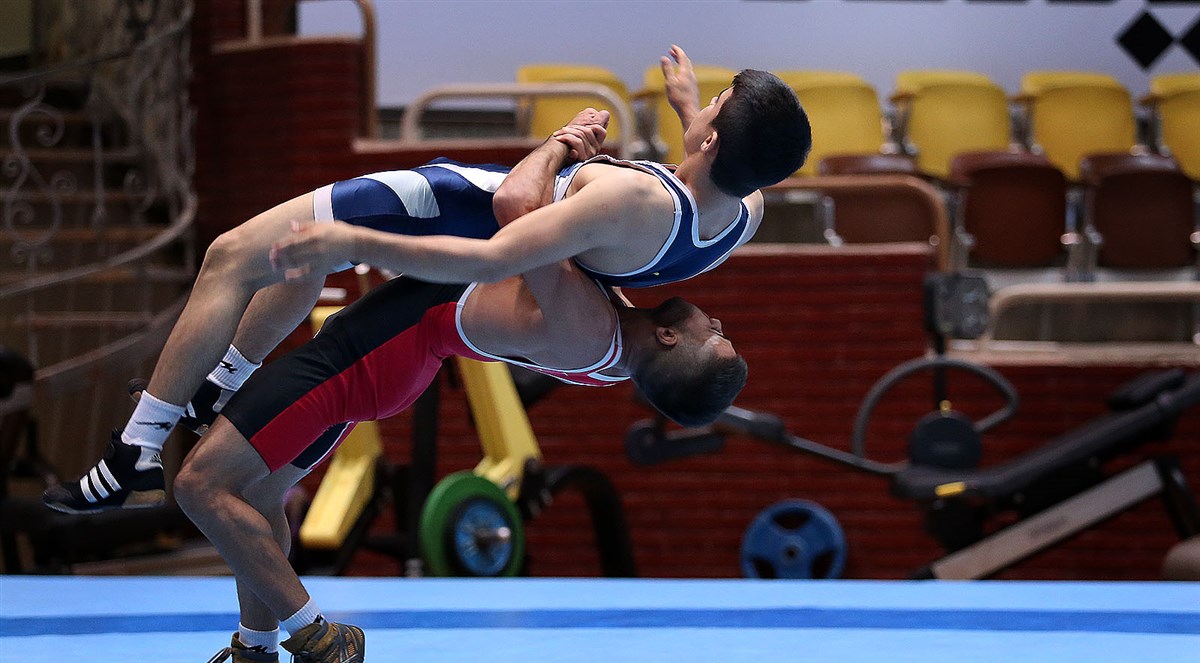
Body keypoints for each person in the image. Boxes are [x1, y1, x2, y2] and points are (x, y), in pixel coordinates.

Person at [44, 45, 809, 514]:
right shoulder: (742, 215)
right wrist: (690, 110)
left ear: (713, 140)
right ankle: (219, 385)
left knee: (232, 254)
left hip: (460, 208)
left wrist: (559, 146)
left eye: (713, 106)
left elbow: (508, 223)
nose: (702, 102)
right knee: (296, 262)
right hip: (506, 258)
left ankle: (137, 446)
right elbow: (700, 183)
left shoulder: (636, 200)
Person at [162, 133, 748, 663]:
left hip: (373, 354)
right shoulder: (615, 328)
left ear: (670, 338)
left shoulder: (592, 328)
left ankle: (319, 639)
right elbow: (653, 207)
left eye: (715, 335)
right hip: (389, 354)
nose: (717, 321)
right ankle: (256, 662)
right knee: (259, 493)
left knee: (200, 485)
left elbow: (519, 208)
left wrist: (559, 144)